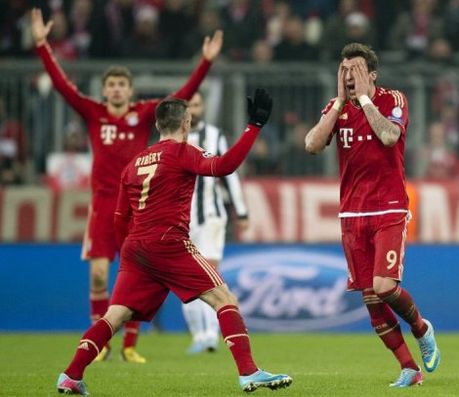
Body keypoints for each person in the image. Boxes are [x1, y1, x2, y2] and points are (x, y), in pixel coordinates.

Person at [55, 89, 293, 395]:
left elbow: (119, 217)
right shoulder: (183, 152)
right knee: (225, 300)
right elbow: (224, 166)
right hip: (169, 242)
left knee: (115, 315)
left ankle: (71, 375)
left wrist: (128, 254)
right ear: (186, 123)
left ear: (156, 126)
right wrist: (253, 127)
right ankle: (248, 373)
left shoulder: (135, 162)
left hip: (135, 248)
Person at [31, 8, 223, 363]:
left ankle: (129, 346)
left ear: (130, 90)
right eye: (111, 85)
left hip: (141, 206)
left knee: (133, 277)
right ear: (104, 90)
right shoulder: (93, 112)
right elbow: (61, 86)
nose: (116, 89)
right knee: (101, 275)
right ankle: (102, 345)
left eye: (122, 85)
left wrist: (205, 64)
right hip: (104, 203)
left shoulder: (143, 114)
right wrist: (42, 44)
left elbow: (179, 98)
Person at [305, 43, 441, 388]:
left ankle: (422, 328)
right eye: (345, 70)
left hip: (389, 207)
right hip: (352, 214)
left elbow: (389, 135)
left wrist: (365, 100)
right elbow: (311, 144)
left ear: (372, 75)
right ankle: (409, 369)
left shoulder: (393, 99)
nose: (350, 77)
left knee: (384, 287)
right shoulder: (336, 109)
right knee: (371, 300)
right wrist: (337, 104)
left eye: (357, 70)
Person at [182, 91, 249, 354]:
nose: (194, 110)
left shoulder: (214, 135)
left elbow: (229, 175)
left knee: (208, 275)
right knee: (186, 279)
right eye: (189, 105)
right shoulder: (172, 141)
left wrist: (241, 211)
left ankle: (210, 333)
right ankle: (199, 334)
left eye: (197, 104)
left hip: (210, 216)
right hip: (181, 221)